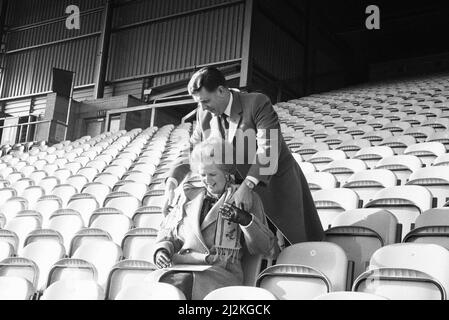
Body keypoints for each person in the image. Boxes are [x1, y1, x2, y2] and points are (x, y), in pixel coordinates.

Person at [164, 67, 324, 244]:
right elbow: (192, 149)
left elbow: (268, 148)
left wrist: (248, 185)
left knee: (294, 251)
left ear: (221, 91)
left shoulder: (257, 102)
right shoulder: (204, 113)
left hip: (276, 190)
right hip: (240, 197)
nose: (202, 108)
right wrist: (172, 183)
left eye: (206, 101)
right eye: (199, 103)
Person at [151, 138, 279, 300]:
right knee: (151, 285)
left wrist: (246, 220)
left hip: (219, 273)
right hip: (181, 267)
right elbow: (171, 235)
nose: (207, 180)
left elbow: (267, 248)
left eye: (212, 174)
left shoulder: (245, 198)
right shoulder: (188, 196)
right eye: (202, 175)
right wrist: (162, 249)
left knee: (176, 288)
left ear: (227, 174)